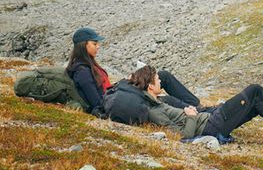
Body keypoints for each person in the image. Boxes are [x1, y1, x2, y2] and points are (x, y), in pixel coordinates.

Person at [131, 64, 263, 148]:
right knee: (254, 90)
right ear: (150, 86)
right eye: (158, 80)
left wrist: (195, 110)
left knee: (256, 102)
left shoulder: (159, 101)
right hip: (211, 125)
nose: (161, 82)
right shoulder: (155, 110)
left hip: (210, 116)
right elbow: (184, 137)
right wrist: (191, 116)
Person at [66, 28, 200, 116]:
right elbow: (98, 103)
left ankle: (196, 105)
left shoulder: (88, 64)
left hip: (117, 93)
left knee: (162, 76)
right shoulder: (82, 72)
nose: (98, 46)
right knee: (165, 97)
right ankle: (196, 110)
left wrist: (127, 81)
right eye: (94, 44)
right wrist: (126, 86)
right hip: (116, 100)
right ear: (84, 45)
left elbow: (105, 90)